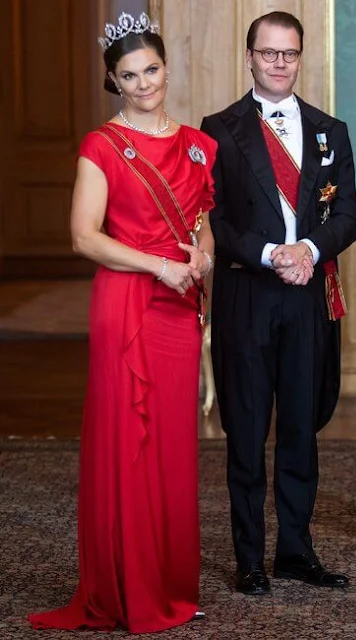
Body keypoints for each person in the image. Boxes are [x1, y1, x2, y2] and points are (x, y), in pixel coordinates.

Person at [28, 12, 217, 633]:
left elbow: (202, 228)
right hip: (127, 305)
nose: (144, 84)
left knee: (171, 446)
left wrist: (201, 257)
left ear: (167, 67)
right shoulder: (100, 146)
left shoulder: (199, 146)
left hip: (178, 308)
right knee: (125, 446)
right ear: (114, 81)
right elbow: (84, 237)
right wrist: (158, 267)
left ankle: (166, 580)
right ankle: (124, 587)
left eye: (152, 70)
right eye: (129, 75)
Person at [201, 11, 356, 595]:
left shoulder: (330, 130)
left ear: (300, 58)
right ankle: (249, 557)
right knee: (246, 431)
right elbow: (215, 218)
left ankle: (295, 549)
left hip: (305, 300)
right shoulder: (219, 128)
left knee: (300, 427)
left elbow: (346, 216)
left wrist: (310, 250)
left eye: (288, 54)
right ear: (250, 57)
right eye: (268, 53)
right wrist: (273, 253)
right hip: (247, 293)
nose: (278, 63)